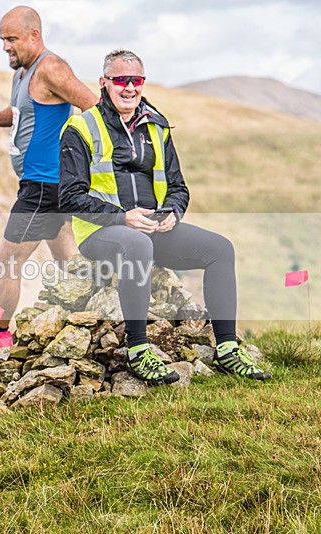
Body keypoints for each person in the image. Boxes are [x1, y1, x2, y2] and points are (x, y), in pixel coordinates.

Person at [58, 49, 271, 385]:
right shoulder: (80, 128)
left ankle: (228, 348)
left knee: (221, 249)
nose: (129, 87)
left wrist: (173, 212)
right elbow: (69, 197)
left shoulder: (156, 126)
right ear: (104, 83)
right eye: (121, 80)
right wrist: (122, 218)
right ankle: (138, 350)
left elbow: (179, 187)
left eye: (137, 80)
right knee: (138, 245)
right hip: (101, 233)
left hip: (154, 228)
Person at [0, 5, 98, 356]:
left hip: (45, 185)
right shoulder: (22, 72)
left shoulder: (51, 67)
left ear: (34, 35)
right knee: (68, 261)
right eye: (2, 40)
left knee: (6, 261)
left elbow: (93, 106)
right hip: (39, 183)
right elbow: (20, 114)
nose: (6, 46)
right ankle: (95, 320)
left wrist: (79, 160)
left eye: (12, 39)